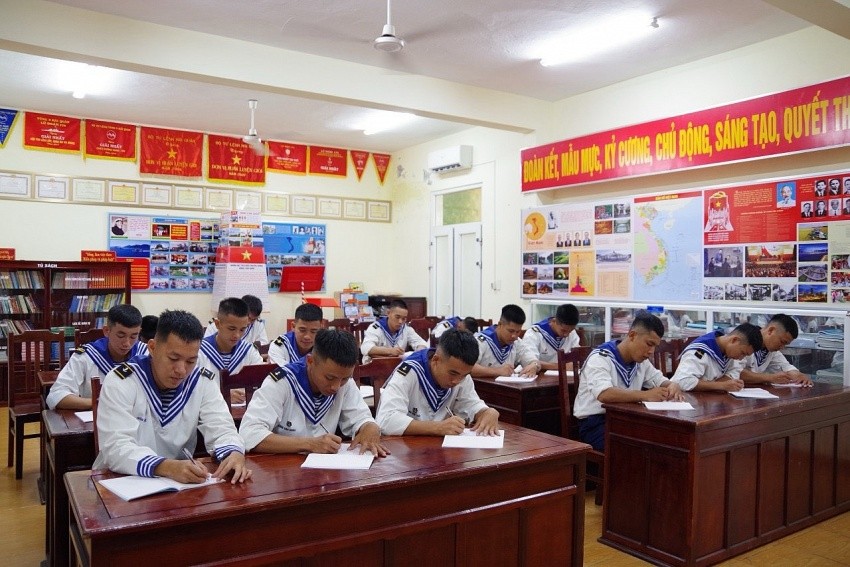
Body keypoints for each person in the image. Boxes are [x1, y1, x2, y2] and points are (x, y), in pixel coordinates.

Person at [93, 310, 251, 484]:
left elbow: (222, 427)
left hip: (178, 483)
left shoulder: (201, 381)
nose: (182, 370)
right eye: (173, 358)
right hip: (121, 481)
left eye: (191, 361)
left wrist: (233, 453)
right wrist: (167, 467)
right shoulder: (122, 381)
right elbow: (115, 448)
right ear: (152, 348)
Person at [239, 329, 389, 456]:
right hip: (281, 472)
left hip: (325, 473)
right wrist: (309, 444)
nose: (336, 386)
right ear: (310, 362)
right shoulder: (282, 382)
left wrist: (370, 427)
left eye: (344, 378)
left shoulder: (345, 383)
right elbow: (249, 433)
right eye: (330, 377)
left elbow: (361, 417)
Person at [573, 311, 684, 451]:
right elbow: (604, 394)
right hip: (597, 424)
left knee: (666, 439)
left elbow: (659, 380)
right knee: (637, 448)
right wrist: (645, 395)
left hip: (626, 419)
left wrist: (673, 385)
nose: (651, 351)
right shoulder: (600, 358)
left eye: (655, 346)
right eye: (649, 344)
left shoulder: (640, 361)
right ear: (632, 335)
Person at [376, 328, 499, 436]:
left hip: (439, 450)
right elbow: (386, 420)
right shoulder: (409, 371)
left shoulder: (461, 374)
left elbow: (471, 403)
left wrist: (487, 412)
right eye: (452, 374)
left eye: (464, 375)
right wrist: (437, 427)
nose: (457, 381)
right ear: (436, 360)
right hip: (403, 452)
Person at [47, 304, 148, 410]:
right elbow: (56, 396)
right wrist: (99, 403)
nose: (127, 343)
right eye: (121, 336)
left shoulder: (146, 354)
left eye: (133, 336)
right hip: (97, 421)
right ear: (106, 331)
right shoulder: (87, 356)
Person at [197, 297, 264, 402]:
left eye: (242, 329)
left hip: (243, 413)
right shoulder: (199, 352)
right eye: (231, 329)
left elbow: (260, 385)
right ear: (217, 324)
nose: (237, 335)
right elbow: (192, 388)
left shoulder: (250, 351)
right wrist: (224, 394)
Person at [671, 322, 763, 392]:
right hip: (689, 402)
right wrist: (721, 385)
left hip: (709, 400)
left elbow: (735, 371)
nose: (741, 358)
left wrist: (724, 384)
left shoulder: (728, 351)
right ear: (734, 340)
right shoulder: (700, 350)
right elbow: (682, 381)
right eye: (742, 353)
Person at [734, 314, 812, 387]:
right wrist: (769, 377)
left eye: (785, 345)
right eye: (782, 342)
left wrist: (800, 376)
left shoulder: (771, 350)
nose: (782, 347)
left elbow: (786, 367)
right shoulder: (745, 339)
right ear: (771, 330)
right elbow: (736, 372)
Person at [471, 304, 534, 377]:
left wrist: (534, 365)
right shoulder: (481, 341)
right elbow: (467, 367)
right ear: (500, 324)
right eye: (511, 331)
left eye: (518, 332)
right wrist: (497, 371)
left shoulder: (516, 342)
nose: (514, 336)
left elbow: (532, 359)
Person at [360, 299, 428, 363]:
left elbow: (421, 343)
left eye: (404, 318)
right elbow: (366, 348)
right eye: (397, 317)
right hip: (374, 367)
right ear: (388, 313)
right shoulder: (376, 328)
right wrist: (390, 351)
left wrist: (419, 351)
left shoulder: (406, 329)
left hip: (397, 367)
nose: (400, 322)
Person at [518, 303, 581, 371]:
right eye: (563, 330)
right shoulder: (534, 333)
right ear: (554, 321)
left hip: (566, 377)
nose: (567, 335)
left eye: (570, 330)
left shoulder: (572, 333)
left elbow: (575, 360)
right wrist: (562, 366)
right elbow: (530, 362)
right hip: (539, 377)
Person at [204, 294, 269, 346]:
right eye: (248, 318)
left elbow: (264, 344)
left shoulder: (258, 324)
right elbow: (206, 345)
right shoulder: (216, 324)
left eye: (253, 320)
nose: (249, 322)